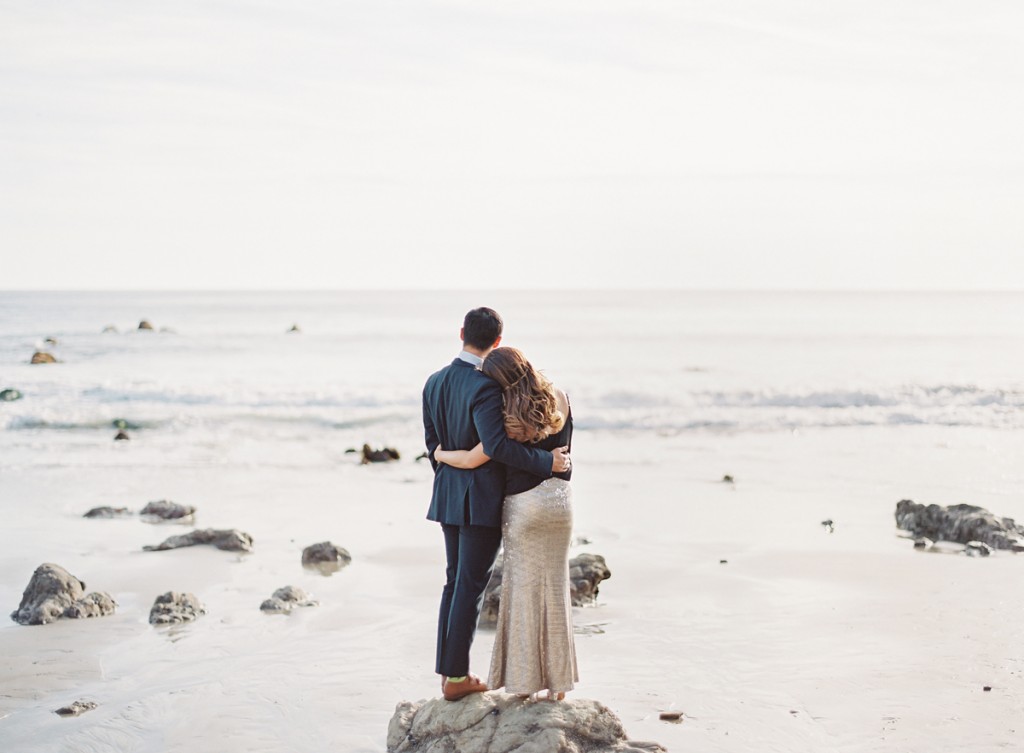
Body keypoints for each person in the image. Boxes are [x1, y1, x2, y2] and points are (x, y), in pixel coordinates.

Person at [422, 308, 571, 702]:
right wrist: (547, 461)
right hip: (480, 501)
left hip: (447, 497)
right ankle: (455, 677)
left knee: (454, 583)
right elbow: (499, 446)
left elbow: (432, 446)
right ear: (498, 341)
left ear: (461, 333)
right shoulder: (486, 385)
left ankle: (449, 674)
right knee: (468, 586)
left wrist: (446, 462)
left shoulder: (434, 382)